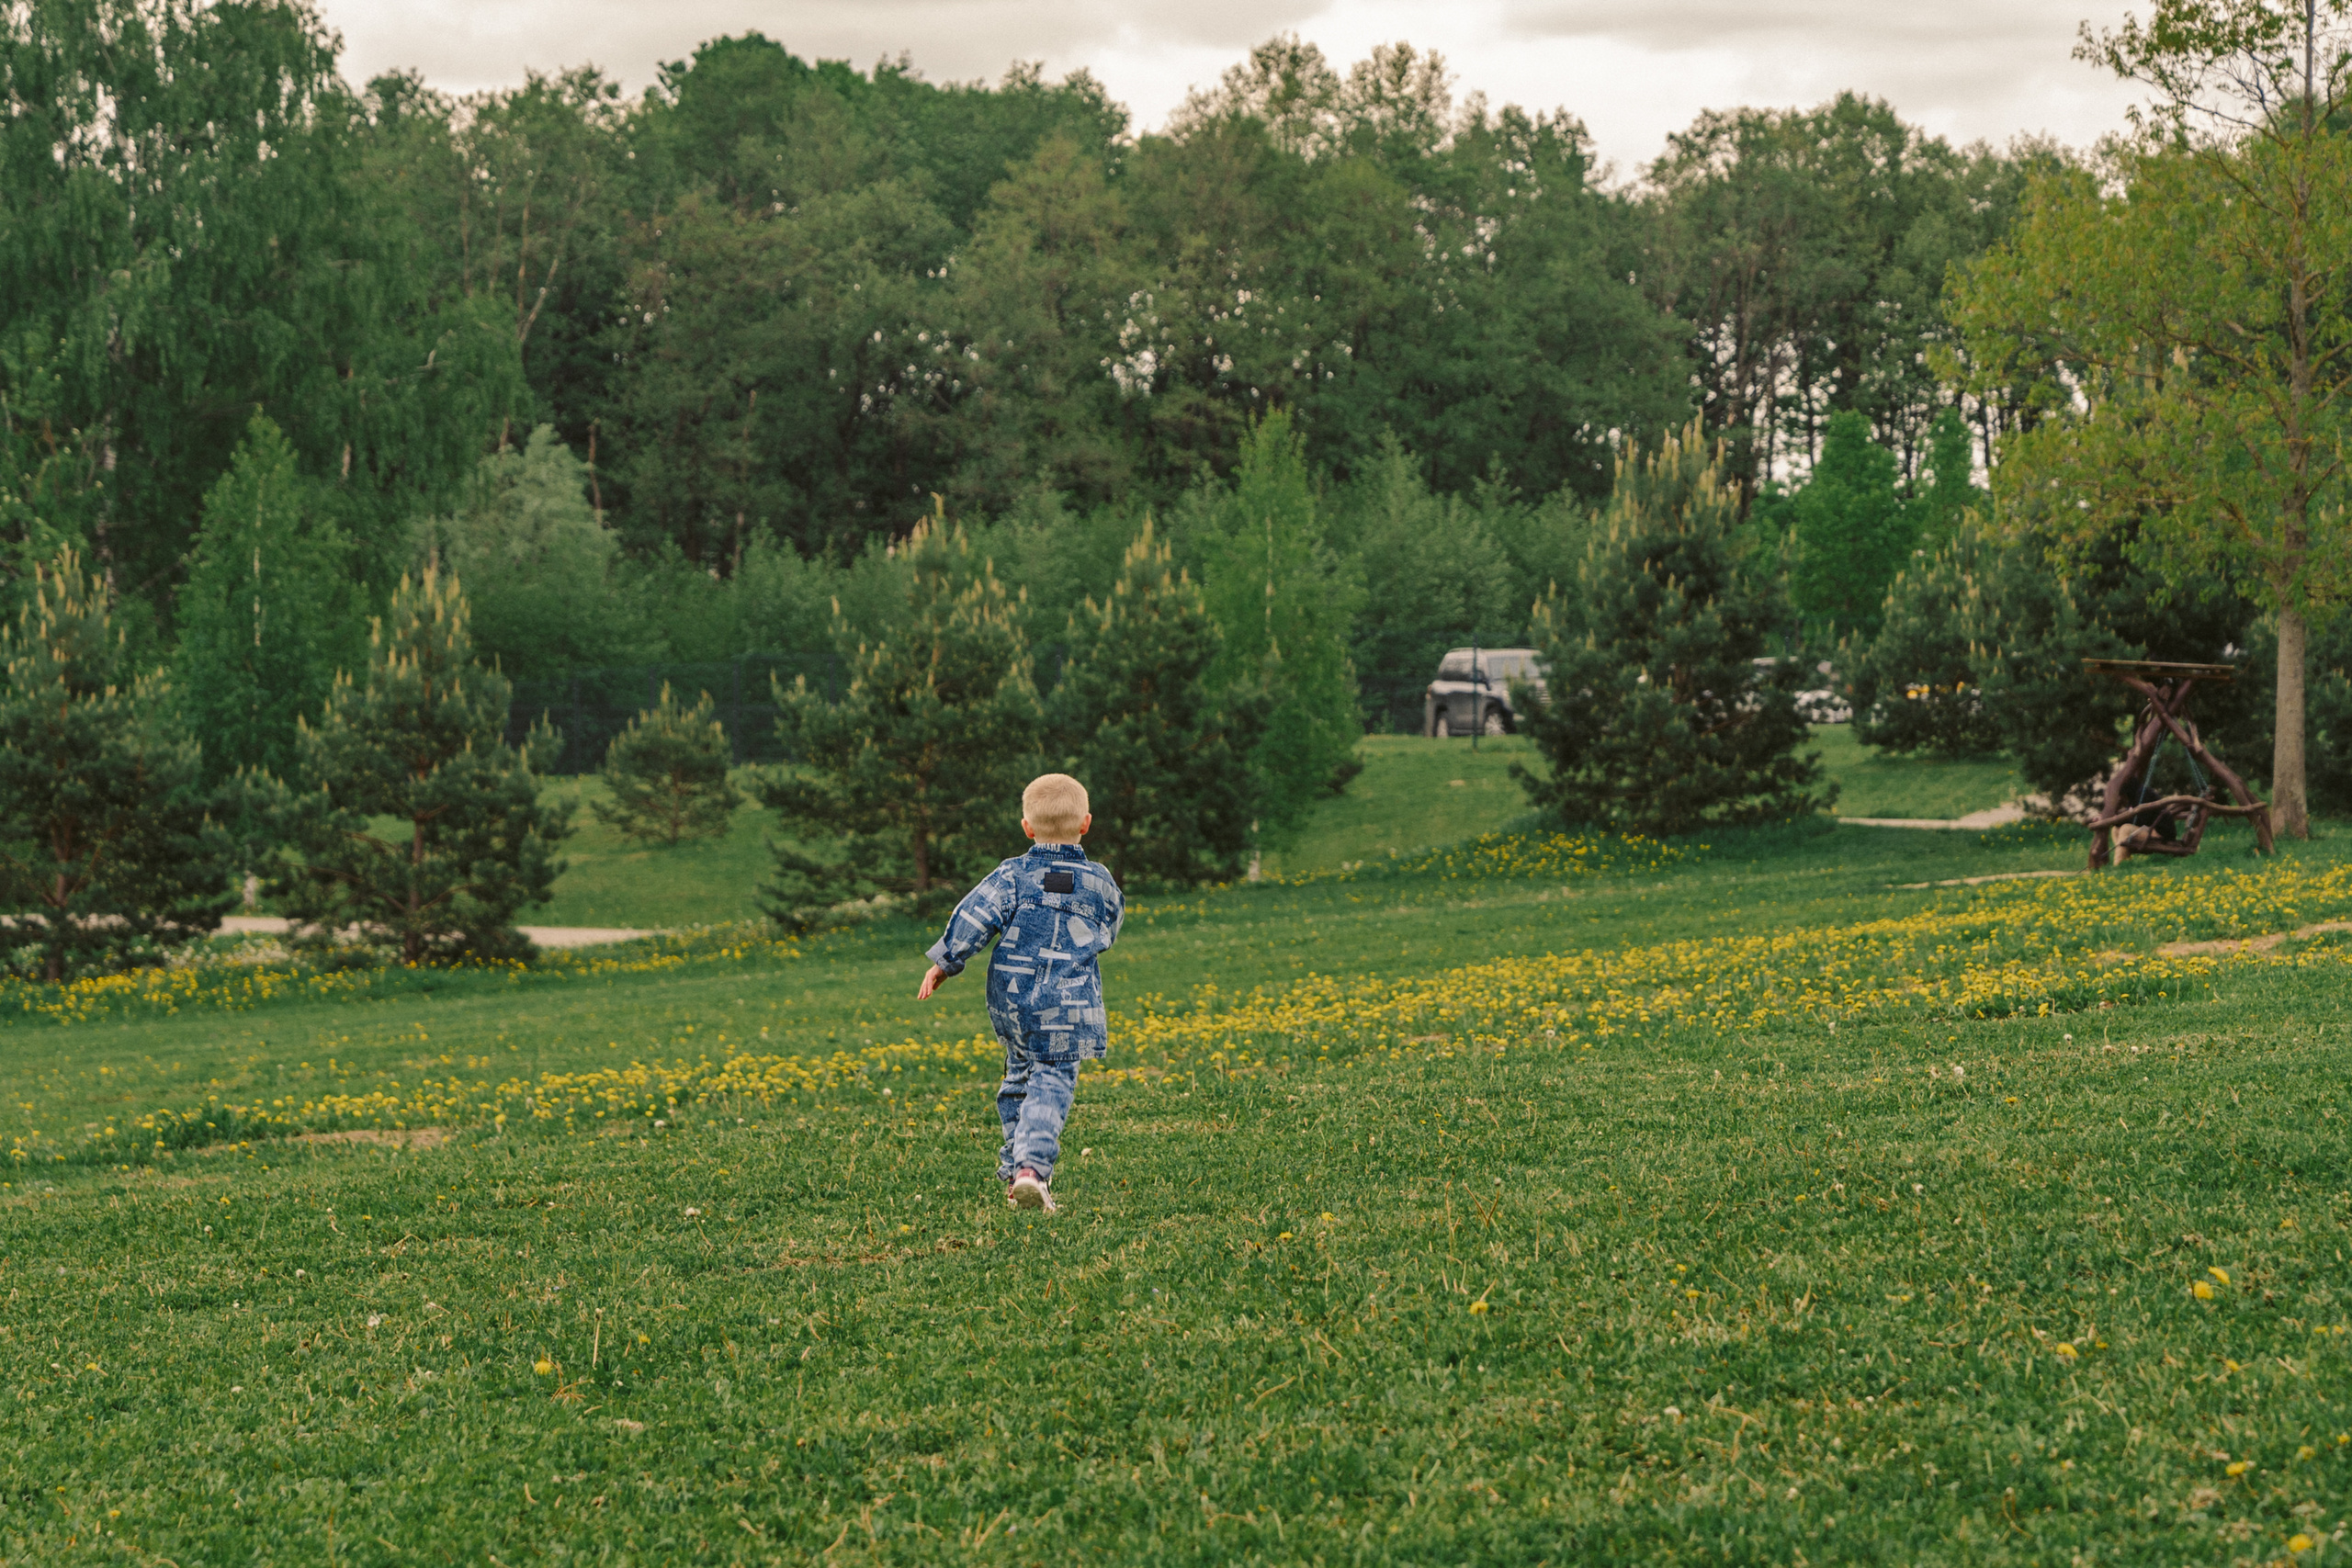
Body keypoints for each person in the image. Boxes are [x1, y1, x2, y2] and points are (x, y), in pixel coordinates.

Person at [917, 773, 1124, 1213]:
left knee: (1019, 1078)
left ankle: (1015, 1177)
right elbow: (1110, 927)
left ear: (1027, 828)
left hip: (1013, 1000)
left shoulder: (1011, 875)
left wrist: (946, 961)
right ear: (1086, 823)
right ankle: (1032, 1169)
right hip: (1065, 1004)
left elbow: (975, 915)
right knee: (1051, 1080)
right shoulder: (1099, 881)